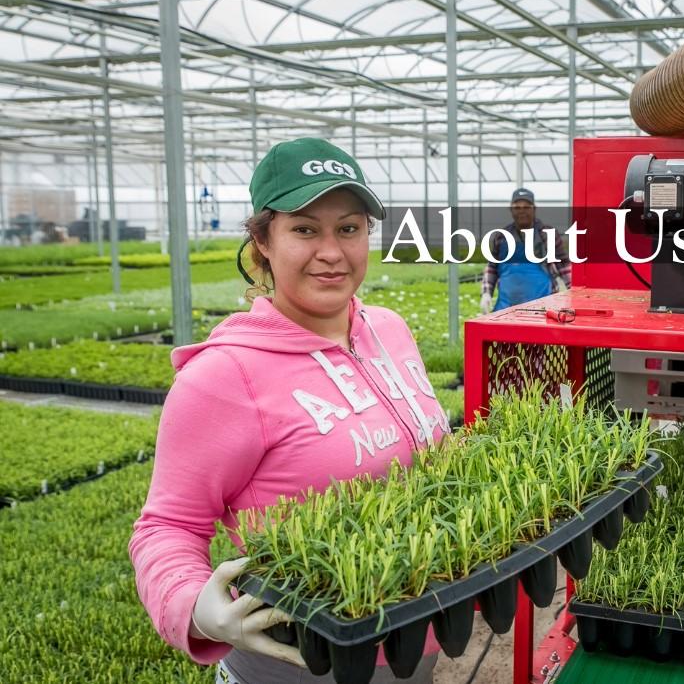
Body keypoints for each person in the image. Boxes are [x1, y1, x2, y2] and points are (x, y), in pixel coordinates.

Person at [129, 138, 449, 684]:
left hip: (419, 639)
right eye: (305, 229)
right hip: (300, 661)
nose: (332, 251)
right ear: (262, 242)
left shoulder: (389, 329)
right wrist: (194, 608)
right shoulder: (223, 376)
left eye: (348, 228)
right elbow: (167, 526)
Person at [479, 187, 571, 313]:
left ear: (534, 209)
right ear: (511, 210)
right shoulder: (501, 236)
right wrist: (486, 293)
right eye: (517, 208)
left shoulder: (547, 234)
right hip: (506, 308)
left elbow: (564, 265)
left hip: (544, 307)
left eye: (526, 207)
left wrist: (574, 293)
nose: (522, 211)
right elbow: (492, 268)